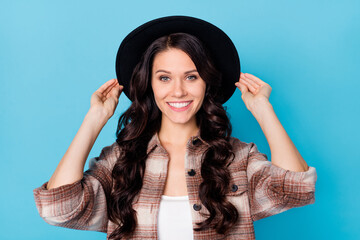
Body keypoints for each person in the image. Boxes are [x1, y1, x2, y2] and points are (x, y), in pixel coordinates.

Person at [33, 16, 317, 240]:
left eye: (191, 77)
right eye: (164, 78)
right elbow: (59, 210)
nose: (178, 91)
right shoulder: (122, 161)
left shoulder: (237, 158)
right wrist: (94, 119)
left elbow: (295, 190)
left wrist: (263, 111)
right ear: (150, 84)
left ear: (207, 83)